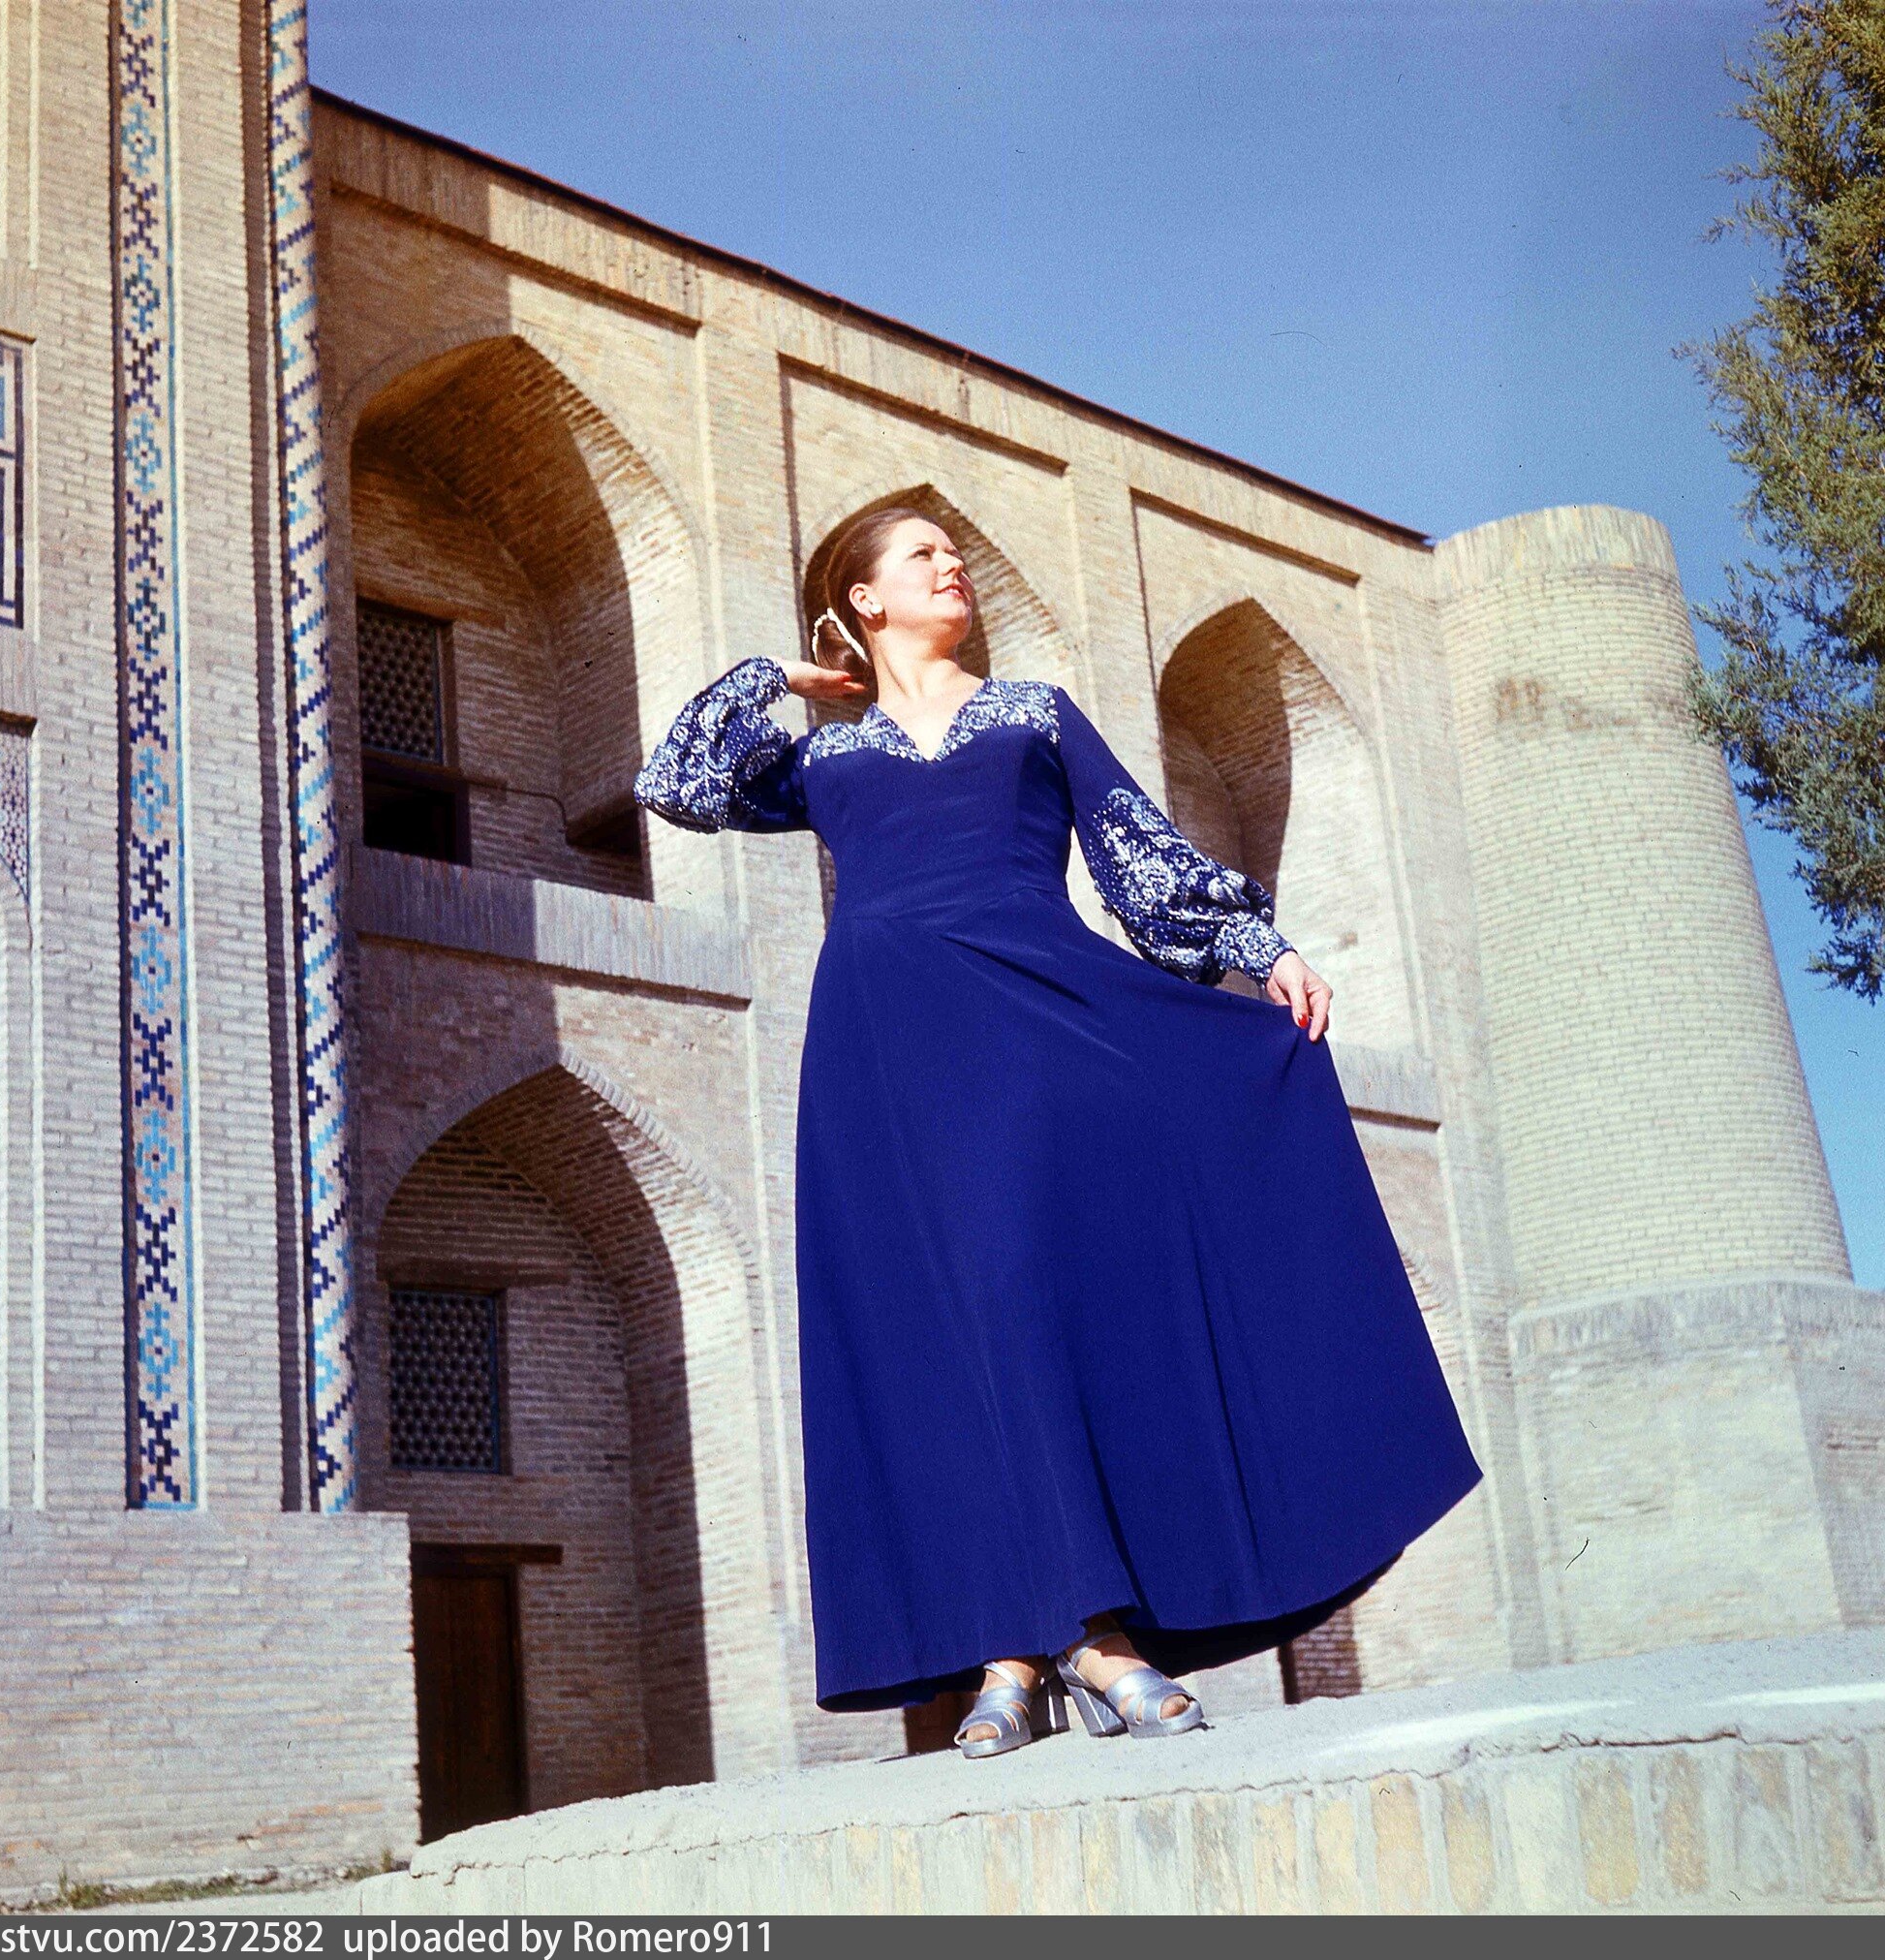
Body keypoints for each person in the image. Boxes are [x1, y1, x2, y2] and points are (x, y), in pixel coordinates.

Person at [633, 507, 1482, 1758]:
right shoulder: (824, 754)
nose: (951, 565)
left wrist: (1260, 948)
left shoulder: (1031, 714)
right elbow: (675, 784)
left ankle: (1082, 1638)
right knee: (954, 1325)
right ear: (863, 599)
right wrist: (777, 678)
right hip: (887, 1046)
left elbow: (1139, 851)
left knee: (1030, 1294)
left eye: (954, 550)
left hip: (1038, 1012)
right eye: (920, 555)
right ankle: (1024, 1650)